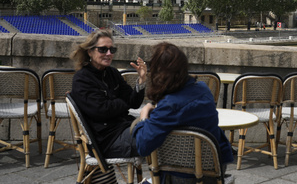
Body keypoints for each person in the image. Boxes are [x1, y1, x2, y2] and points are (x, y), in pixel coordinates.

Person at [132, 42, 234, 183]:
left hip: (182, 177)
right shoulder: (204, 90)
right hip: (215, 171)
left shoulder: (168, 106)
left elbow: (143, 146)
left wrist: (144, 117)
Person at [70, 29, 147, 158]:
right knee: (158, 136)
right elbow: (102, 110)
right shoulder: (82, 79)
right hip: (107, 141)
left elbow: (134, 102)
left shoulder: (112, 73)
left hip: (124, 128)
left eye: (112, 50)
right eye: (103, 50)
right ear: (90, 51)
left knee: (166, 127)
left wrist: (142, 80)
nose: (109, 53)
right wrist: (123, 102)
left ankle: (163, 178)